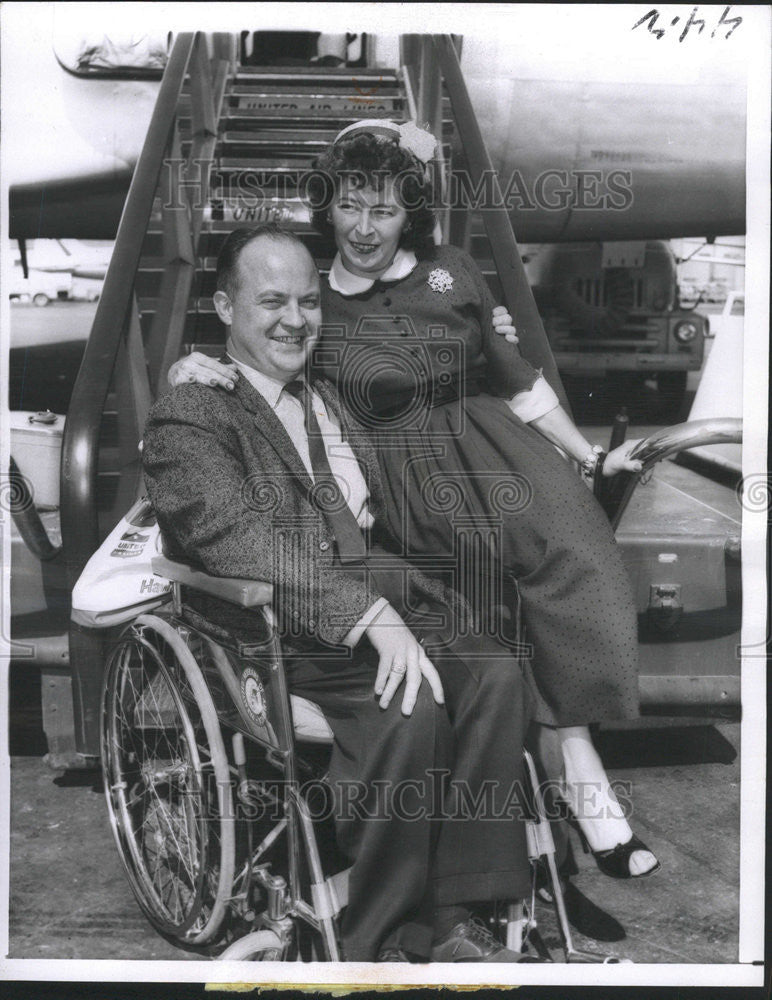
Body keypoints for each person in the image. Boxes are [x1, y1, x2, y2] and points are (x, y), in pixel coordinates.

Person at [169, 121, 660, 881]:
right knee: (478, 587)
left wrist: (587, 453)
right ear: (328, 207)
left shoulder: (453, 272)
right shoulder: (314, 301)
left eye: (386, 210)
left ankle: (576, 751)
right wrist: (188, 366)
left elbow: (517, 375)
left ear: (411, 215)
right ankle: (547, 788)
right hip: (404, 474)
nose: (365, 227)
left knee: (578, 551)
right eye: (351, 206)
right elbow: (259, 356)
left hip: (494, 447)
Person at [143, 225, 545, 964]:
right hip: (279, 621)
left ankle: (458, 911)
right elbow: (237, 539)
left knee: (495, 672)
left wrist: (489, 331)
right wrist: (365, 614)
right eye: (271, 302)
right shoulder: (194, 412)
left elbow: (429, 379)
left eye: (307, 301)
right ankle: (382, 934)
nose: (295, 319)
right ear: (224, 305)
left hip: (384, 584)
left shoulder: (323, 388)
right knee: (411, 705)